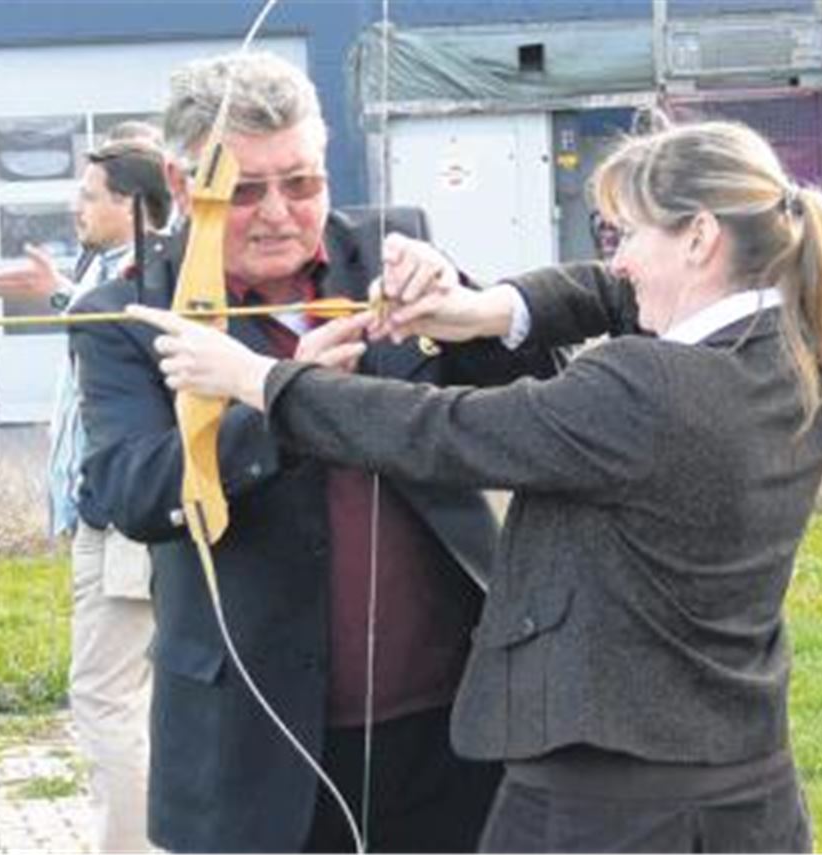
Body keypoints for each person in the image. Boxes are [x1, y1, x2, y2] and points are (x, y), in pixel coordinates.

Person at [136, 118, 822, 853]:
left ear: (701, 237)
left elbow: (443, 430)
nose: (617, 263)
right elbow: (610, 297)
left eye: (628, 236)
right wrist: (485, 308)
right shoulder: (792, 349)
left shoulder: (649, 386)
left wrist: (257, 380)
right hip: (744, 783)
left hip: (609, 803)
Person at [69, 51, 518, 853]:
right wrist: (280, 402)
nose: (280, 211)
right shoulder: (130, 311)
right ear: (184, 187)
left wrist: (471, 310)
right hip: (254, 739)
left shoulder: (392, 248)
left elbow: (523, 395)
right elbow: (131, 491)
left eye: (302, 182)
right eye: (245, 191)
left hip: (450, 716)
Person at [0, 137, 171, 853]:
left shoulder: (152, 277)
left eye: (89, 195)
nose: (76, 205)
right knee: (134, 696)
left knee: (103, 695)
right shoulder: (107, 272)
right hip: (102, 514)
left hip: (125, 519)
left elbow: (122, 332)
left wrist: (63, 293)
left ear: (130, 203)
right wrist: (60, 288)